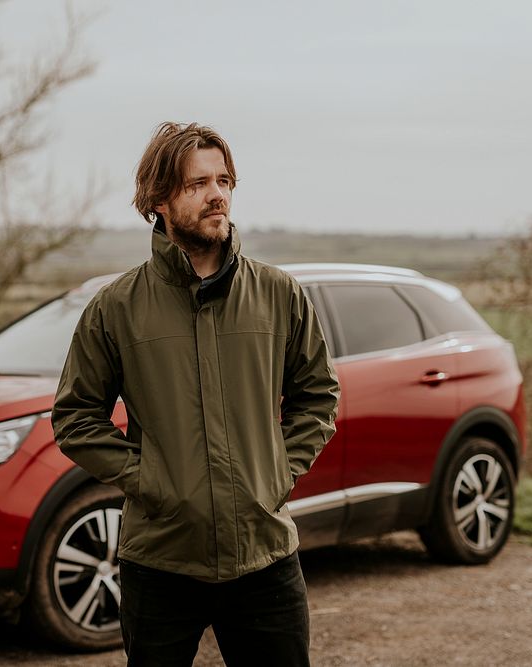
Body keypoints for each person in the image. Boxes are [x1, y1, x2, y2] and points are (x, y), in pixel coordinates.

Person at [52, 122, 340, 666]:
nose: (217, 195)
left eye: (225, 181)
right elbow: (75, 417)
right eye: (197, 184)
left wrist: (276, 473)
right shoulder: (116, 308)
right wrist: (153, 482)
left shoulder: (278, 295)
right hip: (160, 565)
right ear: (159, 200)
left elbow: (318, 397)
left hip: (265, 560)